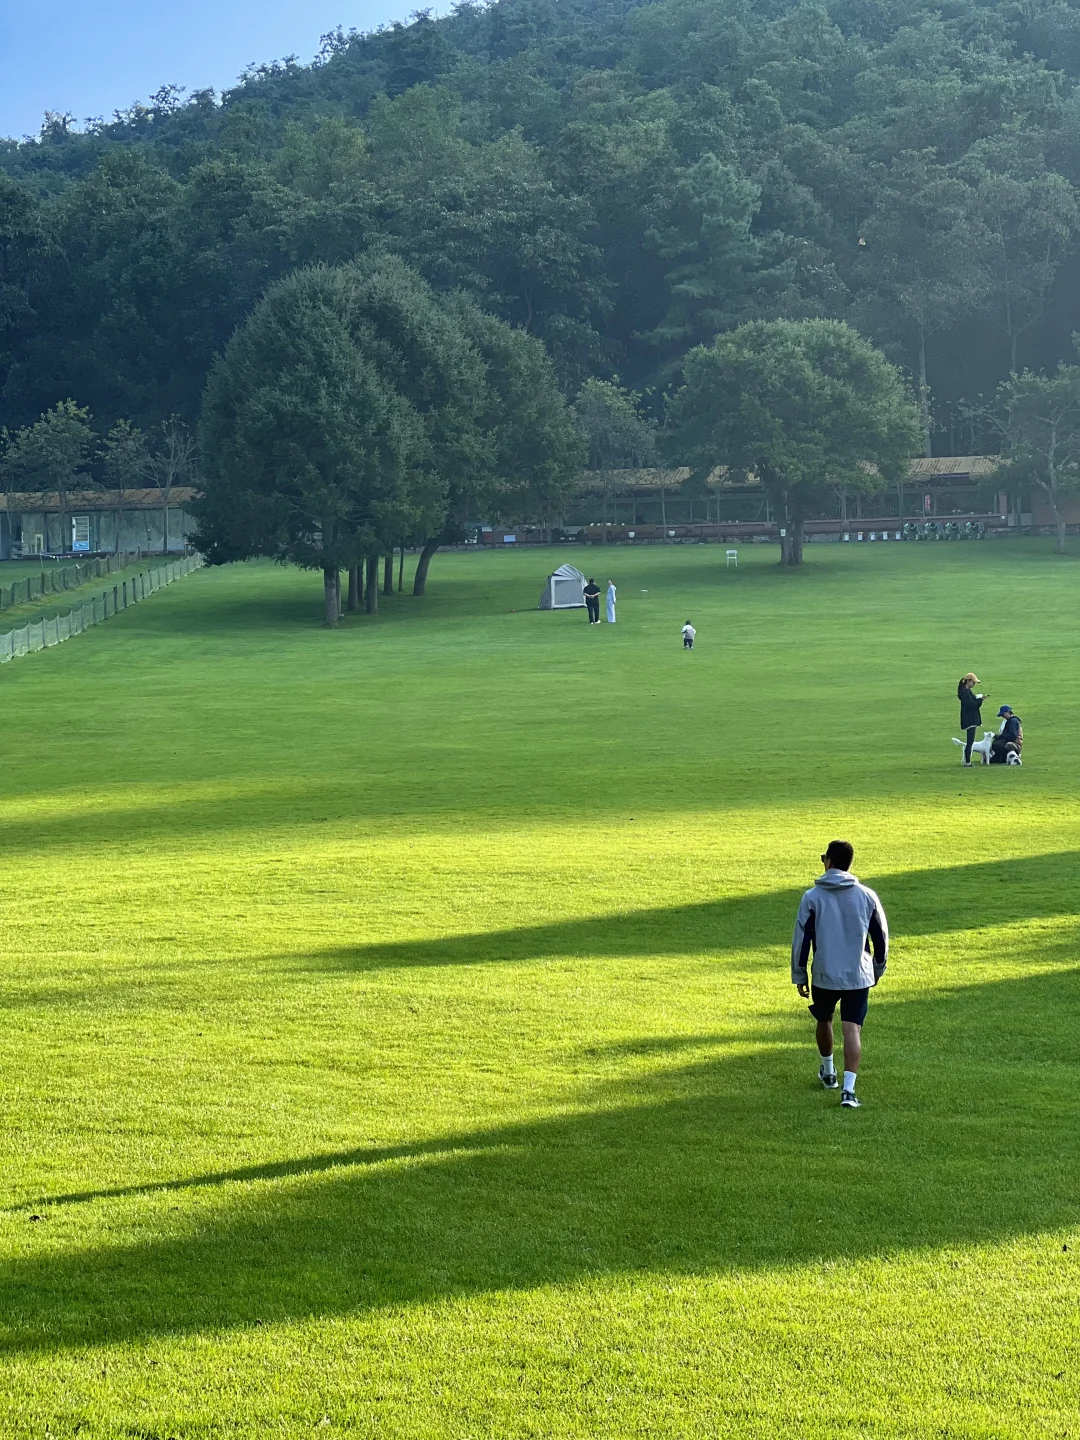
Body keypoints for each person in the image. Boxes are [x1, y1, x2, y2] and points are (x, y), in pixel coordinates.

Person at [791, 840, 889, 1109]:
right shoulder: (867, 896)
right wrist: (878, 968)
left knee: (824, 1020)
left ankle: (828, 1071)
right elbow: (880, 937)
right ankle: (848, 1090)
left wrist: (799, 975)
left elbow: (802, 940)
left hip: (824, 973)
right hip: (857, 974)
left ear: (829, 862)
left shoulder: (812, 897)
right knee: (852, 1029)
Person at [957, 673, 988, 766]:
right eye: (973, 682)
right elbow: (972, 705)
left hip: (970, 719)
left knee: (970, 742)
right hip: (970, 720)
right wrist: (980, 700)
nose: (974, 684)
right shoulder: (966, 693)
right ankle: (967, 762)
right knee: (970, 742)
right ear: (968, 681)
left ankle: (967, 761)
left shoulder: (966, 692)